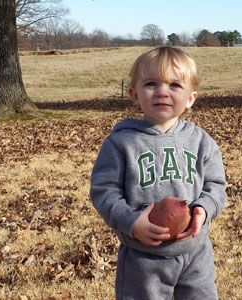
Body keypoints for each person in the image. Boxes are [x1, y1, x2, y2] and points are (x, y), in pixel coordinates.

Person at [89, 46, 227, 299]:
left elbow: (216, 186)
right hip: (143, 258)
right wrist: (131, 222)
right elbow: (103, 191)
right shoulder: (121, 143)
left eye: (174, 85)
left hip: (195, 253)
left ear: (190, 98)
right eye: (151, 83)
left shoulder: (200, 141)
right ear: (134, 94)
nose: (162, 91)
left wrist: (203, 210)